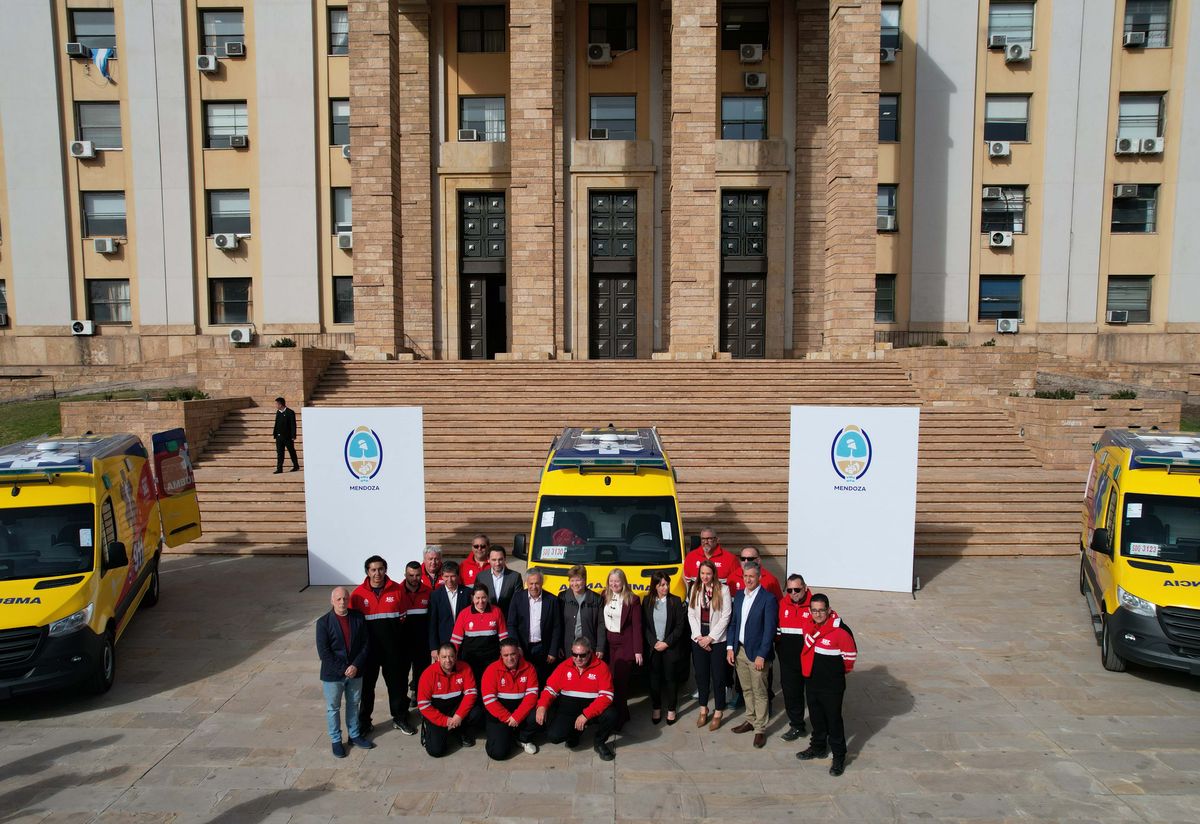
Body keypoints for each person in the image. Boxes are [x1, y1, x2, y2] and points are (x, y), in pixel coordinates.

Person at [350, 556, 415, 736]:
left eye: (380, 569)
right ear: (367, 572)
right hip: (368, 653)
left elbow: (403, 619)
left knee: (397, 686)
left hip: (392, 651)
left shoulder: (397, 590)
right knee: (366, 689)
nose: (377, 573)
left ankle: (400, 718)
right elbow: (353, 625)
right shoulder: (357, 595)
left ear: (385, 570)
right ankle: (364, 722)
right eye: (373, 570)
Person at [796, 593, 857, 776]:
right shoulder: (808, 626)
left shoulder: (841, 630)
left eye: (821, 610)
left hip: (832, 686)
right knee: (816, 718)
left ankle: (839, 756)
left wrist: (835, 675)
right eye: (814, 610)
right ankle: (818, 747)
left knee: (834, 721)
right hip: (812, 681)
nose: (818, 614)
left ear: (828, 610)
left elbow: (849, 659)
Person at [536, 636, 618, 761]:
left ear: (590, 652)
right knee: (554, 736)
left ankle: (599, 742)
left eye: (582, 655)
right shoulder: (563, 666)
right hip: (569, 709)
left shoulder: (602, 667)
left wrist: (586, 715)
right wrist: (542, 706)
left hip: (592, 710)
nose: (578, 658)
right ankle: (575, 733)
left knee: (612, 714)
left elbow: (607, 696)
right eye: (574, 654)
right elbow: (550, 689)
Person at [316, 587, 373, 758]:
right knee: (333, 708)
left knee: (353, 704)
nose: (342, 602)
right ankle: (335, 740)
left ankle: (354, 735)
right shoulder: (323, 622)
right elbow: (324, 653)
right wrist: (343, 669)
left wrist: (355, 665)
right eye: (339, 599)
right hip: (333, 675)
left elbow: (366, 644)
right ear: (332, 601)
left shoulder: (358, 617)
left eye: (345, 599)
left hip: (356, 672)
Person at [726, 562, 778, 749]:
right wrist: (730, 648)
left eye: (751, 576)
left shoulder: (768, 599)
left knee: (760, 692)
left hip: (757, 655)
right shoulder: (739, 596)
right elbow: (733, 623)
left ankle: (760, 729)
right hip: (739, 651)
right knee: (746, 689)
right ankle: (750, 719)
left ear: (759, 577)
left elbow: (769, 631)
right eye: (745, 576)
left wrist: (762, 655)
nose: (748, 579)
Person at [726, 545, 782, 710]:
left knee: (761, 683)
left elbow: (772, 619)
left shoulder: (770, 581)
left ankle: (764, 710)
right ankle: (745, 703)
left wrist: (764, 652)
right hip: (741, 645)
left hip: (759, 644)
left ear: (758, 561)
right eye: (743, 559)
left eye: (750, 559)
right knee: (745, 682)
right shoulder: (734, 582)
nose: (746, 561)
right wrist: (731, 645)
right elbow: (734, 619)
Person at [687, 559, 731, 730]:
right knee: (701, 676)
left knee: (718, 677)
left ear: (714, 574)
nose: (705, 577)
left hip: (717, 640)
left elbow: (726, 616)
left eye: (708, 573)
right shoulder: (695, 589)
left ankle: (719, 711)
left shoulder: (723, 590)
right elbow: (691, 613)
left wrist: (710, 638)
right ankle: (703, 709)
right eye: (702, 573)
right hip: (698, 638)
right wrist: (699, 637)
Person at [480, 639, 541, 759]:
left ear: (518, 652)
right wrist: (508, 718)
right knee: (498, 754)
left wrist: (517, 717)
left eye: (513, 654)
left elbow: (531, 696)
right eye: (506, 655)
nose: (510, 658)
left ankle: (522, 738)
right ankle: (504, 734)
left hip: (521, 713)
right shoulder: (491, 670)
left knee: (539, 716)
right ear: (501, 655)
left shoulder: (529, 668)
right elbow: (489, 701)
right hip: (501, 715)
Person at [641, 571, 688, 724]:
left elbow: (680, 627)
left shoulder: (675, 601)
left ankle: (671, 709)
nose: (665, 587)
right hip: (653, 648)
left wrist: (666, 643)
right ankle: (656, 707)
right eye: (661, 585)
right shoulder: (647, 601)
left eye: (666, 584)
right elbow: (645, 626)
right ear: (654, 586)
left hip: (670, 648)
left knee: (670, 679)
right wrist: (654, 642)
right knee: (654, 679)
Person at [417, 643, 480, 756]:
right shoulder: (428, 674)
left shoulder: (465, 668)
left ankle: (459, 730)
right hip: (438, 712)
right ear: (438, 658)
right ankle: (440, 731)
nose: (448, 660)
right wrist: (446, 721)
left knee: (477, 712)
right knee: (436, 751)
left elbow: (471, 693)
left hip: (456, 709)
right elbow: (423, 705)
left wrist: (459, 716)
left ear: (456, 656)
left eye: (451, 656)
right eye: (444, 657)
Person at [507, 566, 563, 686]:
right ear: (526, 583)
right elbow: (511, 624)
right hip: (523, 648)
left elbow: (557, 627)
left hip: (543, 648)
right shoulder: (517, 598)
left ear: (542, 582)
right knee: (523, 679)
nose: (534, 587)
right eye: (531, 583)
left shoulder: (552, 600)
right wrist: (516, 646)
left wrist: (553, 651)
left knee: (542, 680)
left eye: (537, 583)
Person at [602, 569, 643, 730]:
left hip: (625, 645)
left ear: (623, 582)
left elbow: (637, 626)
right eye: (611, 581)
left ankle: (619, 718)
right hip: (608, 644)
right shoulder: (604, 595)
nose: (614, 584)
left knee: (620, 683)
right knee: (609, 681)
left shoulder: (632, 599)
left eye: (617, 581)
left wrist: (638, 650)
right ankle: (621, 713)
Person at [776, 573, 812, 741]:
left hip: (811, 662)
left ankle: (821, 729)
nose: (793, 593)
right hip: (789, 662)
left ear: (804, 588)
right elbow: (776, 631)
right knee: (791, 694)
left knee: (814, 697)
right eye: (789, 590)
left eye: (797, 589)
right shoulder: (782, 604)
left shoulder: (816, 606)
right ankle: (797, 726)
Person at [451, 583, 509, 685]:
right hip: (470, 660)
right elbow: (456, 641)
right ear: (472, 598)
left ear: (488, 597)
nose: (480, 601)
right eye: (477, 598)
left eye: (484, 598)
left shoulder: (497, 612)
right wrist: (451, 657)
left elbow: (503, 639)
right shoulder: (464, 614)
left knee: (490, 685)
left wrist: (505, 657)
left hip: (492, 660)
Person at [398, 560, 433, 702]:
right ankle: (402, 700)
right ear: (405, 574)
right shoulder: (397, 592)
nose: (414, 578)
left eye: (418, 575)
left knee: (422, 672)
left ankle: (417, 695)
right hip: (403, 642)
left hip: (422, 642)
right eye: (411, 575)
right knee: (401, 673)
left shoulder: (429, 592)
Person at [560, 565, 606, 659]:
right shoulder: (562, 597)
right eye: (572, 580)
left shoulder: (596, 599)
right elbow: (558, 624)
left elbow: (601, 625)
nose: (575, 584)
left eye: (578, 580)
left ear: (585, 580)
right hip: (568, 648)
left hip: (589, 648)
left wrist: (600, 648)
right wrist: (559, 646)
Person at [428, 560, 472, 655]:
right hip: (444, 643)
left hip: (465, 642)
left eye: (452, 576)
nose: (449, 580)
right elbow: (433, 622)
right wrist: (434, 647)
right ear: (442, 576)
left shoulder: (467, 593)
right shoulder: (435, 595)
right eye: (446, 576)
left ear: (458, 576)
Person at [479, 545, 523, 615]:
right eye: (494, 560)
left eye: (500, 559)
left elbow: (518, 601)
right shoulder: (481, 577)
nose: (497, 563)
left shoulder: (515, 577)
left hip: (507, 620)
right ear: (488, 559)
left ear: (505, 559)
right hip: (487, 619)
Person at [272, 396, 299, 474]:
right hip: (279, 437)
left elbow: (293, 425)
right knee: (280, 453)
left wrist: (293, 435)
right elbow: (276, 424)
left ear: (280, 404)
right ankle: (279, 468)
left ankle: (296, 466)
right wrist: (275, 434)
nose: (275, 406)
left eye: (276, 404)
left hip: (288, 437)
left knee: (291, 451)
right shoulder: (278, 412)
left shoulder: (290, 412)